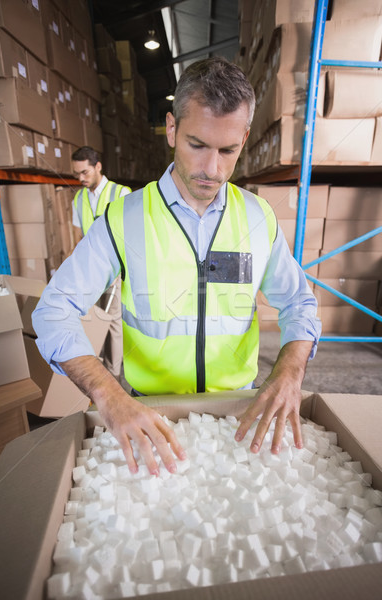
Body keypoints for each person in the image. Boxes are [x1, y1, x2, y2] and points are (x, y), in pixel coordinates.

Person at [33, 57, 321, 477]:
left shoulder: (258, 219)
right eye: (197, 145)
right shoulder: (123, 219)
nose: (212, 169)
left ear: (244, 137)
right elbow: (52, 312)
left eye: (228, 150)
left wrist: (289, 372)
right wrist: (110, 398)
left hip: (237, 415)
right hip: (150, 412)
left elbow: (299, 302)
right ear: (171, 128)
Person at [71, 146, 131, 378]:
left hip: (115, 269)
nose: (80, 178)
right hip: (90, 270)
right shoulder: (79, 198)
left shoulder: (121, 193)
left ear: (98, 167)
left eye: (85, 172)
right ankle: (98, 366)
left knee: (113, 320)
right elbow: (78, 237)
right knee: (94, 318)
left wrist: (119, 268)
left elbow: (130, 236)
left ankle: (113, 374)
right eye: (77, 174)